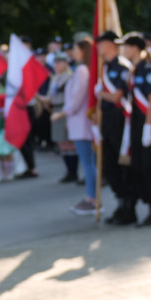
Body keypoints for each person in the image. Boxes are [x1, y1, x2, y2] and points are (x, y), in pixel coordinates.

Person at [115, 33, 151, 227]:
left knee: (149, 168)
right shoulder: (134, 70)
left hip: (148, 124)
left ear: (135, 48)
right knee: (137, 167)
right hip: (136, 124)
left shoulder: (148, 70)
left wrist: (147, 126)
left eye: (126, 47)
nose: (124, 50)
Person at [93, 32, 132, 218]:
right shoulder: (104, 67)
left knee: (120, 160)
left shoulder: (122, 67)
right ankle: (120, 201)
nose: (98, 48)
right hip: (106, 117)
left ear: (109, 45)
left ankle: (128, 204)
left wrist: (100, 94)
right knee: (109, 163)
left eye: (100, 44)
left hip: (119, 117)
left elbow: (117, 97)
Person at [65, 39, 97, 215]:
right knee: (88, 162)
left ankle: (92, 198)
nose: (73, 53)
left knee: (88, 163)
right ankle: (91, 197)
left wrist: (64, 111)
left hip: (81, 122)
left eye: (76, 49)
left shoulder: (82, 70)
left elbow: (77, 97)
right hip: (80, 121)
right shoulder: (83, 69)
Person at [41, 52, 77, 183]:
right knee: (61, 143)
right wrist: (39, 97)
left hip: (65, 110)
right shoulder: (54, 78)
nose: (57, 65)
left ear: (65, 63)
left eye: (60, 62)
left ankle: (73, 171)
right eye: (55, 63)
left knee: (69, 143)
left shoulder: (70, 77)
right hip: (55, 109)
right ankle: (69, 171)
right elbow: (50, 97)